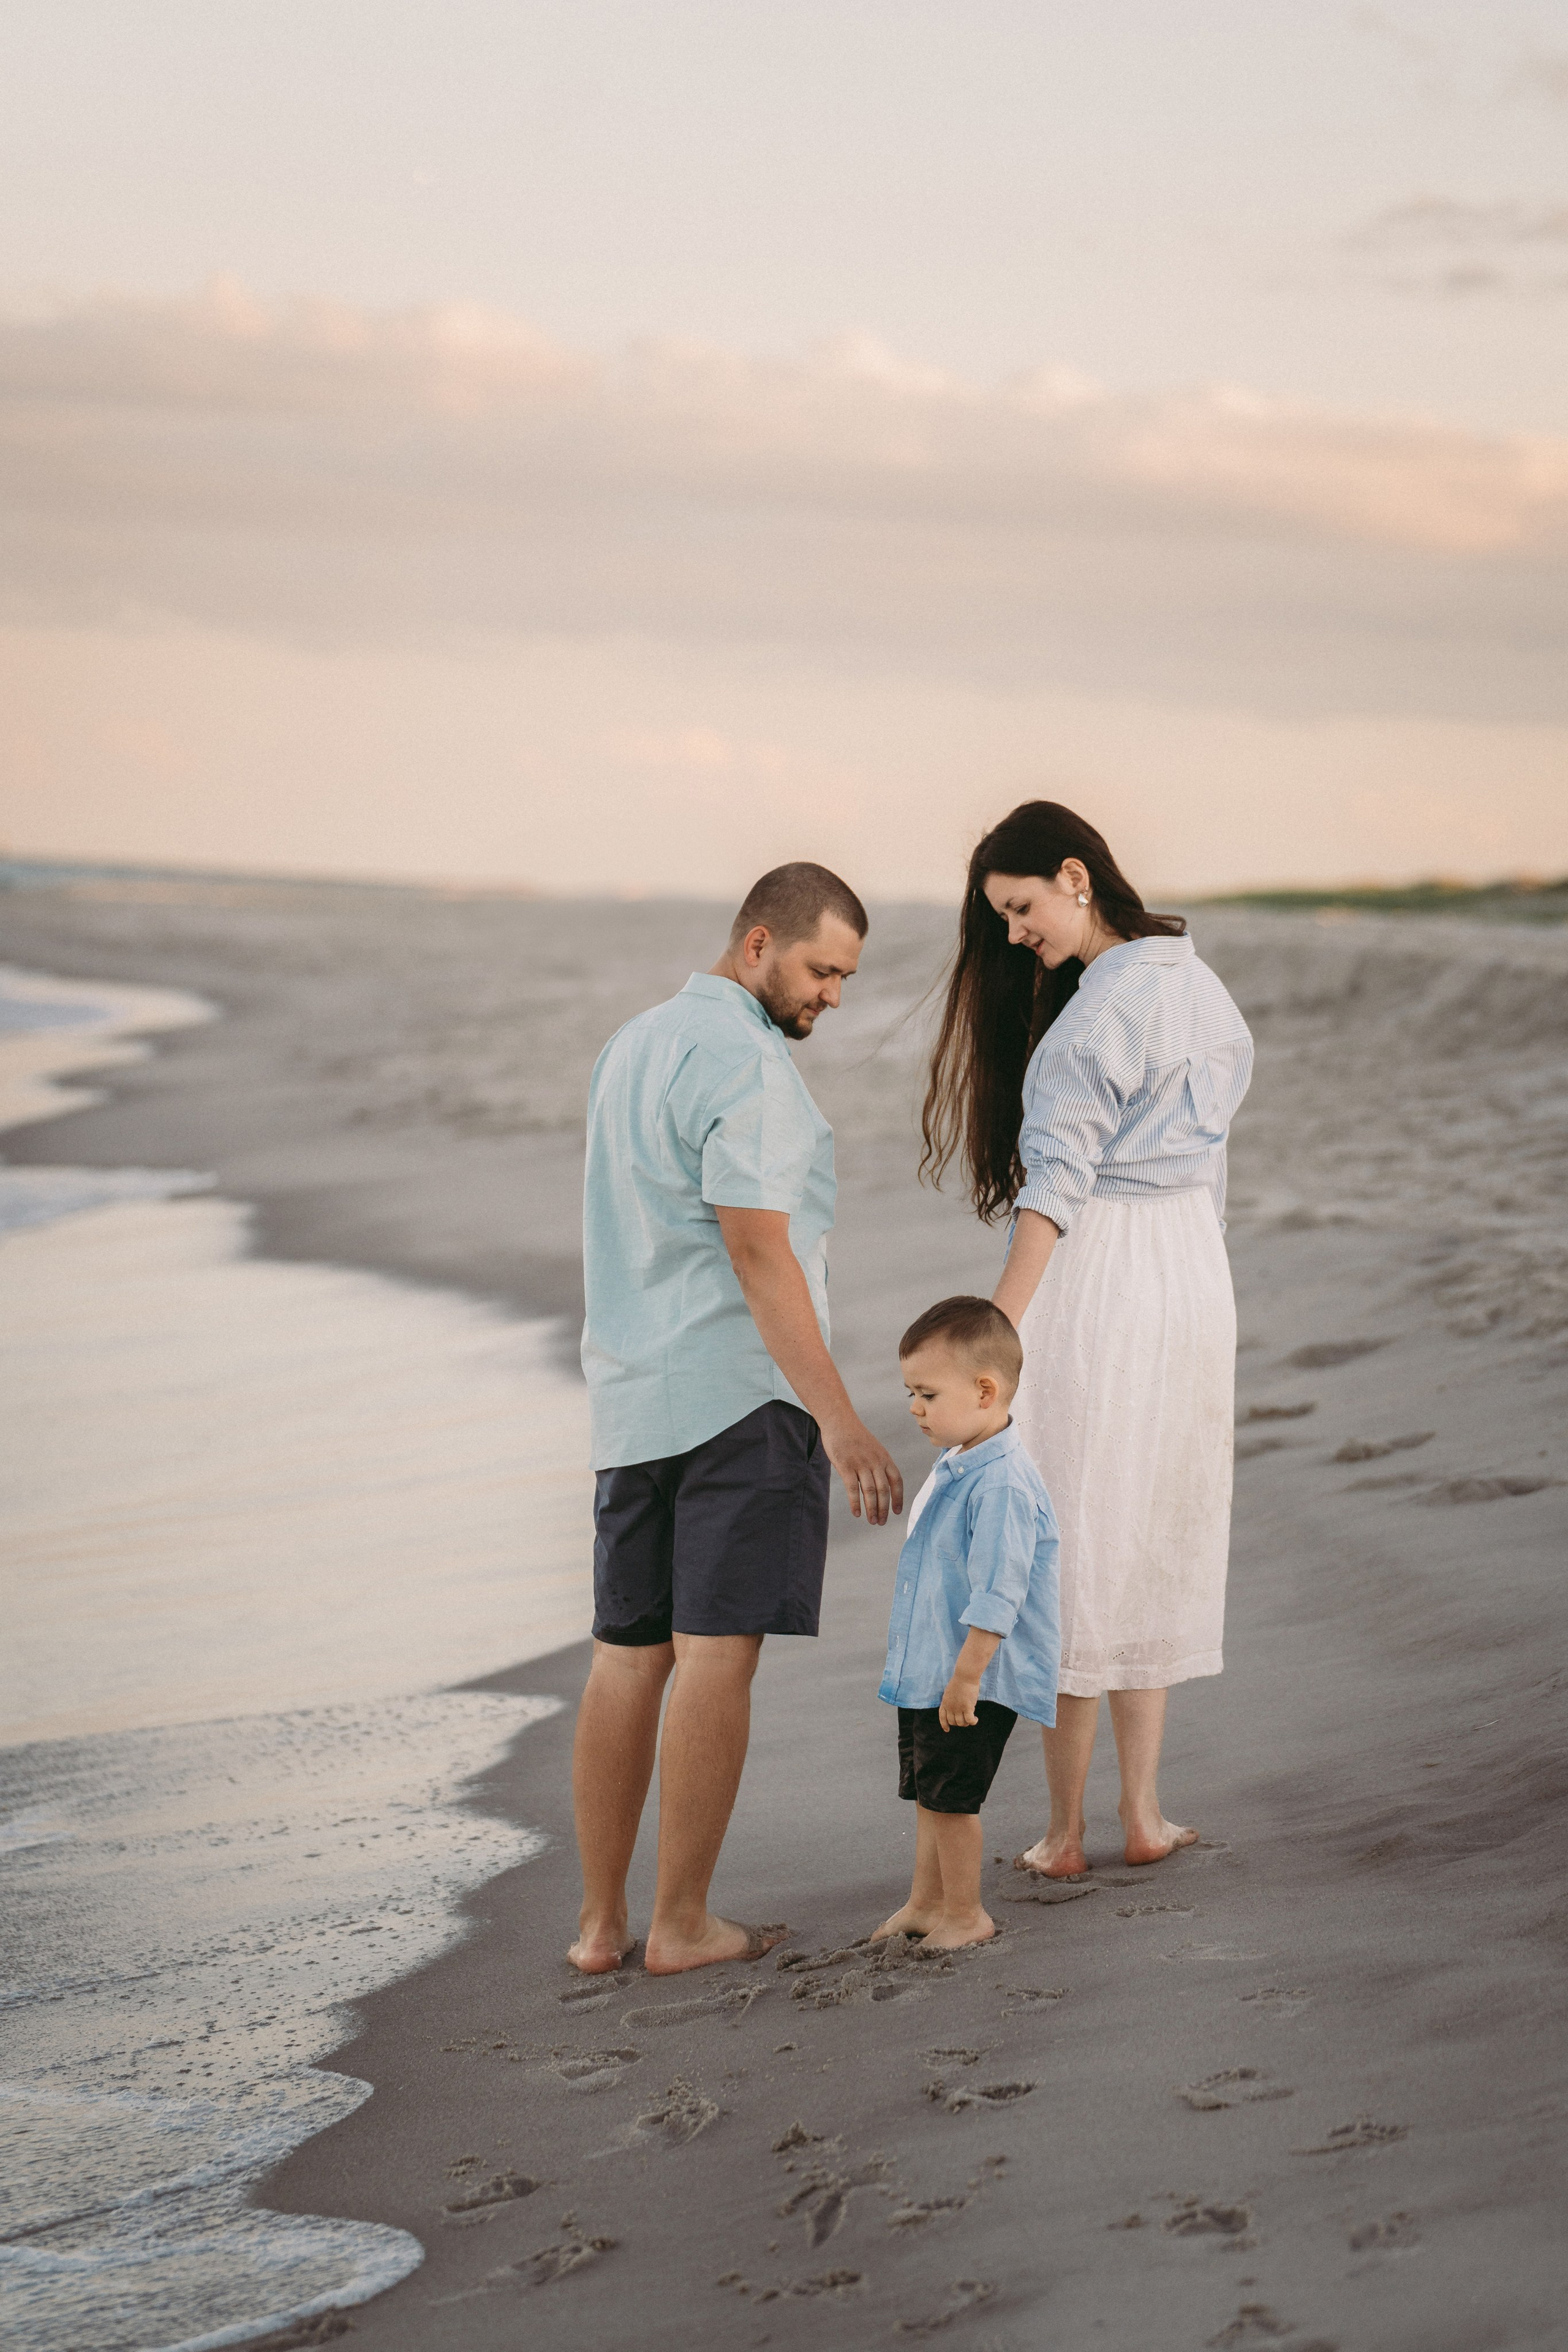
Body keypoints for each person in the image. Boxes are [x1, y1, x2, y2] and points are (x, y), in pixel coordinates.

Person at [571, 861, 904, 1977]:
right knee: (716, 1656)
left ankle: (600, 1926)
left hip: (630, 1396)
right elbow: (760, 1254)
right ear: (758, 942)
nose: (833, 997)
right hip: (736, 1398)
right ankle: (681, 1926)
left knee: (627, 1658)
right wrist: (842, 1421)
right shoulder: (748, 1066)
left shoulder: (634, 1044)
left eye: (847, 977)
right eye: (822, 970)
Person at [922, 801, 1253, 1878]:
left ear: (1075, 876)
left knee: (1070, 1539)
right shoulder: (1201, 988)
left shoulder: (1090, 1024)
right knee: (1151, 1526)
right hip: (1194, 1275)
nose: (1017, 934)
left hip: (1106, 1274)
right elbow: (1207, 1164)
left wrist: (996, 1334)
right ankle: (1143, 1816)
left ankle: (1065, 1836)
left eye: (1020, 910)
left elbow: (1053, 1197)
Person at [872, 1295, 1060, 1951]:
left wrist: (966, 1678)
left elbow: (999, 1592)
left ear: (985, 1391)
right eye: (910, 1394)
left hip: (970, 1676)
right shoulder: (958, 1465)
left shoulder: (1001, 1483)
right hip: (933, 1669)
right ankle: (926, 1903)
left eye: (926, 1393)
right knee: (929, 1793)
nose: (914, 1408)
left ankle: (966, 1913)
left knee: (953, 1800)